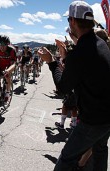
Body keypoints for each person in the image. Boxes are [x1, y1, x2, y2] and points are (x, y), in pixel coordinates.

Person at [37, 1, 110, 170]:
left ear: (72, 22)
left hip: (93, 119)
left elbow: (63, 88)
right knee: (100, 151)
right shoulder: (100, 44)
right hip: (106, 116)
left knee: (67, 159)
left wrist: (51, 62)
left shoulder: (81, 52)